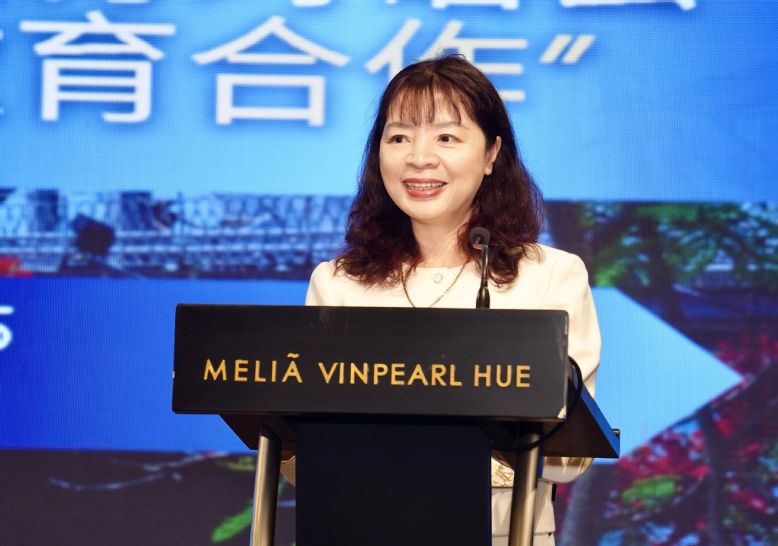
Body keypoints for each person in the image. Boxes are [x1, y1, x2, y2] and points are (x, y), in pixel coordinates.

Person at [303, 55, 601, 546]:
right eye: (399, 137)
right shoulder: (337, 283)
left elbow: (569, 458)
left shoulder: (550, 276)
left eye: (446, 137)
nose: (419, 157)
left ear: (491, 154)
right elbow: (306, 455)